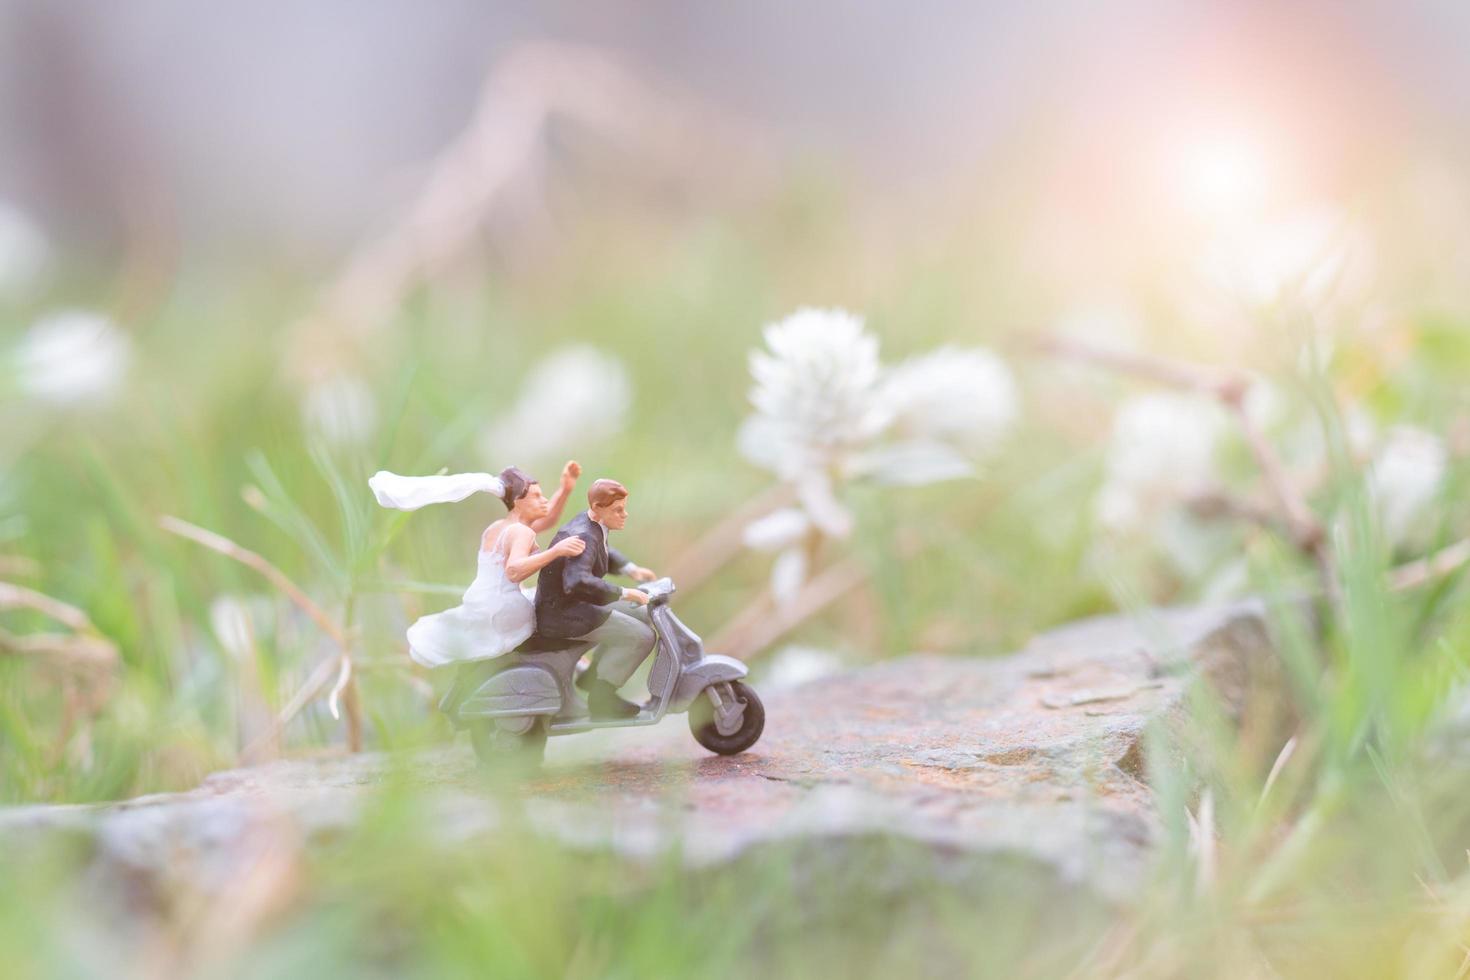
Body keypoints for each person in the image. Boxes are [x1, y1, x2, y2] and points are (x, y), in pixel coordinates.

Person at [369, 461, 584, 668]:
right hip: (503, 608)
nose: (544, 500)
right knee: (557, 605)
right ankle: (572, 662)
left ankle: (570, 662)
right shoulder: (521, 532)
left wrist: (565, 490)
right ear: (518, 501)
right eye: (537, 496)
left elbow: (548, 519)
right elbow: (514, 570)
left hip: (480, 602)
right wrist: (556, 551)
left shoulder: (498, 527)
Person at [533, 478, 659, 719]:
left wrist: (630, 569)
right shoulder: (584, 534)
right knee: (642, 637)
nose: (625, 514)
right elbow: (577, 581)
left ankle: (594, 677)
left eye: (624, 507)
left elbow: (601, 552)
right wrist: (624, 592)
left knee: (642, 613)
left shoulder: (592, 524)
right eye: (618, 510)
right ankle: (602, 698)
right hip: (564, 614)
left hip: (575, 605)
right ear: (599, 507)